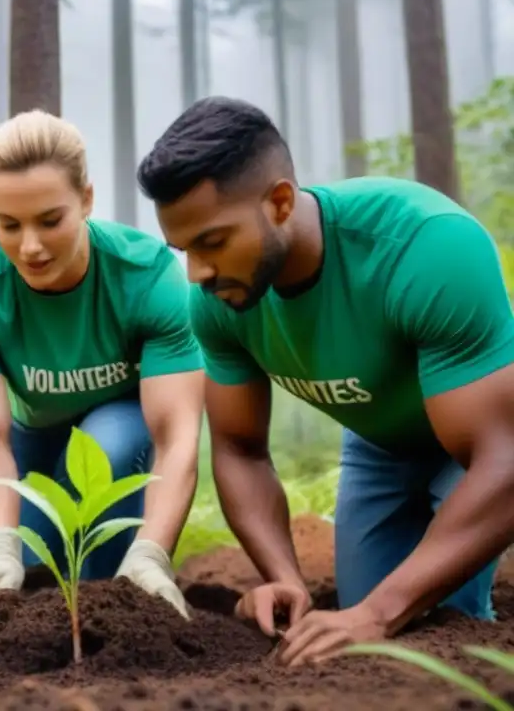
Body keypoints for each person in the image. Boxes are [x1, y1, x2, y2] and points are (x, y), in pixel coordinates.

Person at [137, 95, 514, 666]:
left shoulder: (426, 248)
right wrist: (285, 578)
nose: (198, 274)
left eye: (212, 242)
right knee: (355, 632)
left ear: (281, 202)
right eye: (184, 250)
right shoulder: (217, 301)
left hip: (478, 439)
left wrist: (379, 612)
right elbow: (239, 449)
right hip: (378, 447)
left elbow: (503, 460)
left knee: (442, 628)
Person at [0, 110, 205, 616]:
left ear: (86, 199)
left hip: (125, 427)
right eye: (9, 225)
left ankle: (119, 593)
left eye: (50, 220)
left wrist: (152, 553)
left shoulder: (146, 275)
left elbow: (176, 436)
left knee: (103, 451)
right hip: (32, 434)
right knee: (23, 581)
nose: (30, 247)